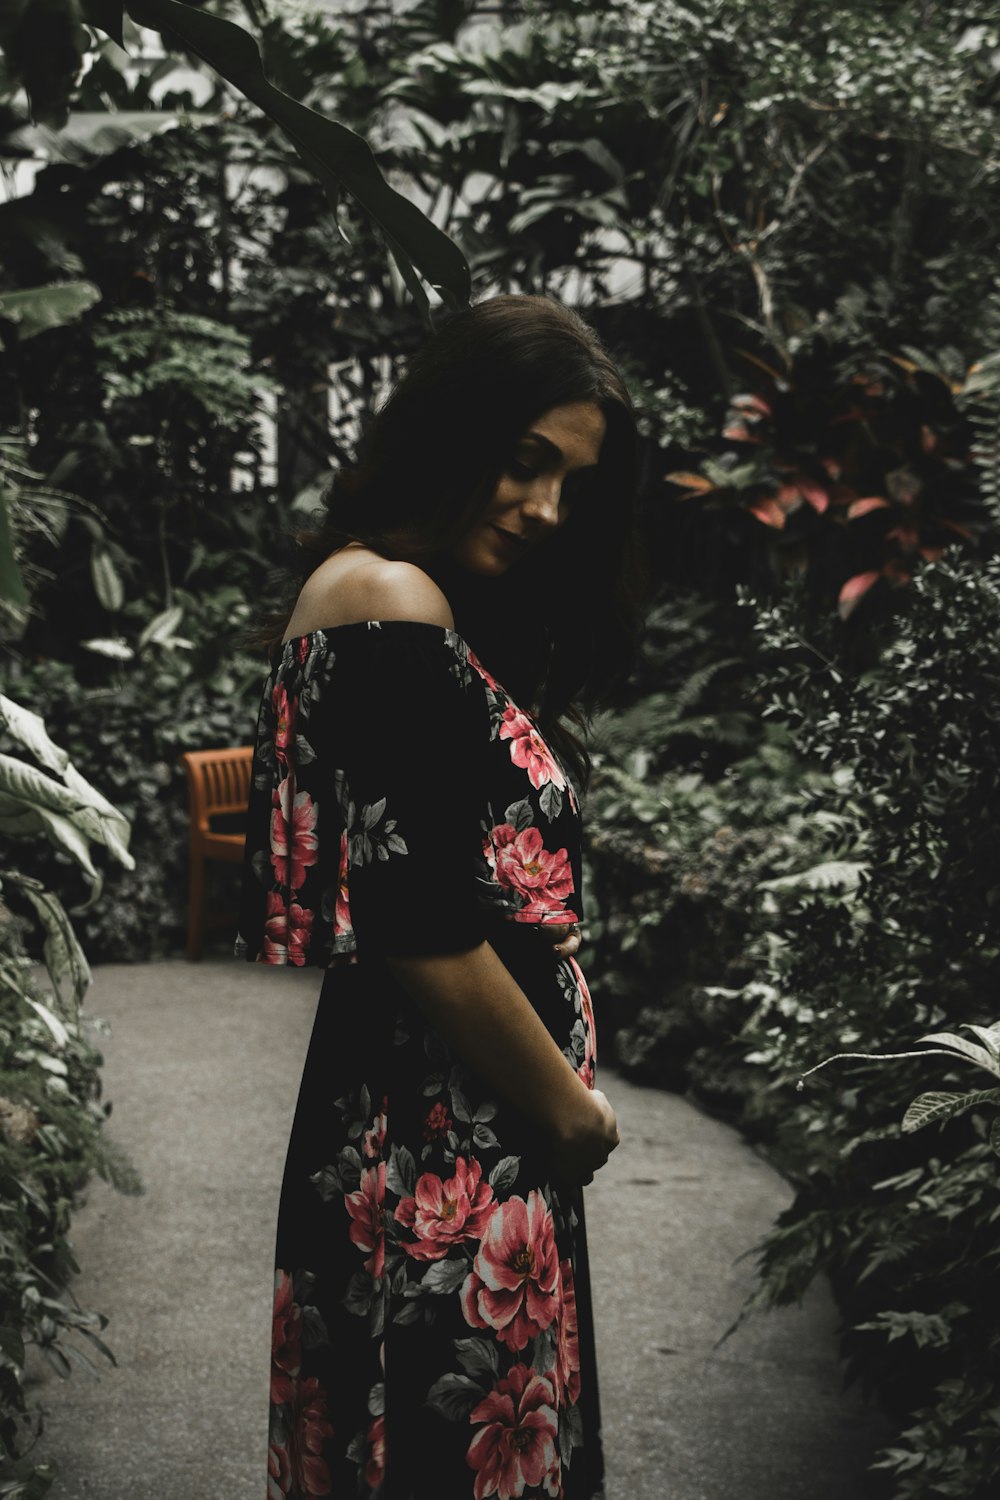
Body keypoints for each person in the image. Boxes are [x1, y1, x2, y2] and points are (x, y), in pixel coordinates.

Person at [234, 292, 647, 1500]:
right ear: (452, 428)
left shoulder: (398, 599)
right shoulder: (388, 601)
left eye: (570, 482)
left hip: (456, 1144)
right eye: (525, 464)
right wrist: (568, 1114)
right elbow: (418, 924)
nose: (545, 509)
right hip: (439, 1150)